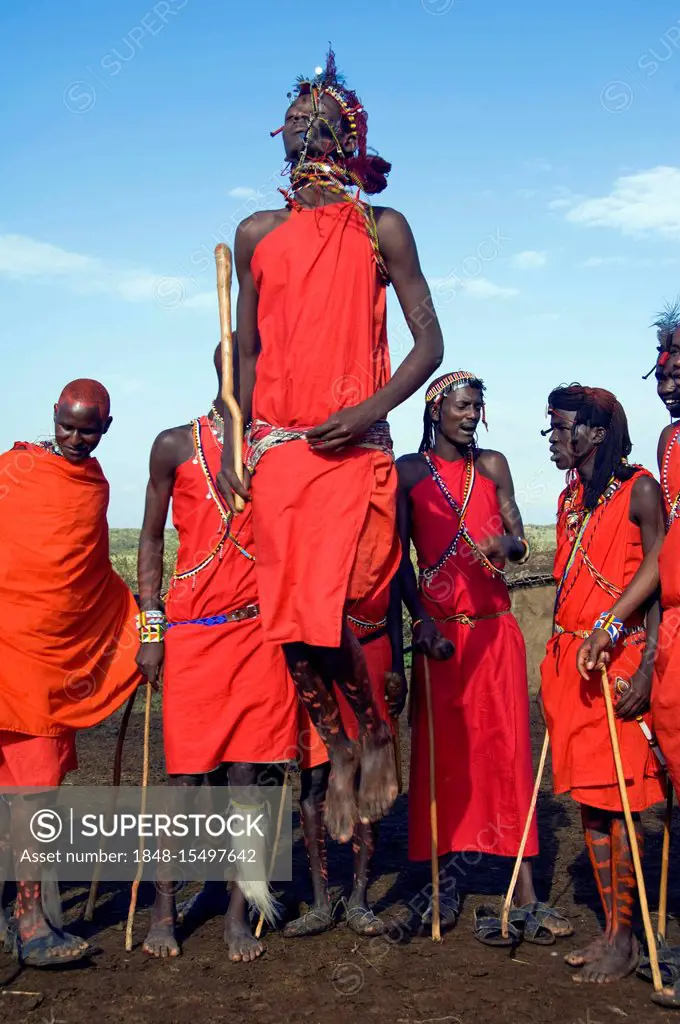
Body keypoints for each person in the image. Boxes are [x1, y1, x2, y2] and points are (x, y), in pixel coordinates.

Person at [216, 47, 444, 844]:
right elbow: (244, 352)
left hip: (355, 448)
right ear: (279, 137)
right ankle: (342, 744)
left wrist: (369, 408)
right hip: (279, 453)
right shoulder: (255, 233)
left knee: (345, 604)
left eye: (325, 116)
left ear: (349, 137)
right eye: (296, 115)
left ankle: (377, 725)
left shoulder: (383, 228)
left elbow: (429, 344)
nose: (306, 124)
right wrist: (234, 439)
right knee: (290, 618)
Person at [136, 344, 297, 963]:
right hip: (193, 635)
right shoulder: (174, 445)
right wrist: (152, 633)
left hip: (258, 637)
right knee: (182, 784)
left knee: (247, 782)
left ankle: (236, 911)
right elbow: (150, 539)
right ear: (228, 375)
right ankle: (163, 908)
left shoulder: (281, 453)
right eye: (255, 369)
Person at [396, 371, 567, 942]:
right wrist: (419, 618)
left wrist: (508, 545)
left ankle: (525, 891)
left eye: (478, 407)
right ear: (435, 409)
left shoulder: (492, 466)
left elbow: (518, 541)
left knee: (508, 755)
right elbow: (398, 562)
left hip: (495, 635)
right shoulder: (408, 472)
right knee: (446, 758)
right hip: (441, 642)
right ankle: (442, 888)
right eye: (463, 406)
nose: (471, 416)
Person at [0, 379, 142, 967]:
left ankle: (30, 921)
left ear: (105, 429)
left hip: (48, 667)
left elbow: (84, 576)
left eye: (89, 429)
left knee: (36, 794)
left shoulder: (95, 489)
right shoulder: (11, 473)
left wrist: (141, 624)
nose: (76, 438)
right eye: (68, 425)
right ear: (54, 416)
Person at [541, 384, 665, 985]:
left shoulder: (641, 488)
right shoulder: (571, 497)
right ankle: (613, 932)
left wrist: (640, 662)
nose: (554, 439)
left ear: (594, 432)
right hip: (572, 667)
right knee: (590, 802)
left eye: (561, 428)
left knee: (621, 802)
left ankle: (629, 939)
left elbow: (660, 575)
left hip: (616, 665)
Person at [287, 588, 405, 938]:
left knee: (368, 779)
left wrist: (398, 663)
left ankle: (359, 898)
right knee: (314, 780)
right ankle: (321, 902)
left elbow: (395, 597)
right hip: (311, 658)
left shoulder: (380, 535)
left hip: (368, 652)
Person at [646, 310, 680, 1008]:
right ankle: (219, 903)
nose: (669, 380)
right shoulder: (670, 441)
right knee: (202, 771)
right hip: (198, 641)